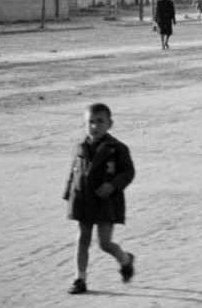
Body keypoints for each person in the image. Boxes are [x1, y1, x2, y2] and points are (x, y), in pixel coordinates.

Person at [64, 103, 137, 294]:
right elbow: (73, 172)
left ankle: (125, 259)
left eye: (100, 121)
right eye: (90, 122)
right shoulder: (80, 146)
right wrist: (68, 194)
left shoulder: (118, 148)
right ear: (84, 124)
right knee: (83, 239)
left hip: (106, 203)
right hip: (83, 200)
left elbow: (128, 172)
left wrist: (113, 185)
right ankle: (80, 279)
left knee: (104, 243)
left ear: (110, 124)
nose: (94, 126)